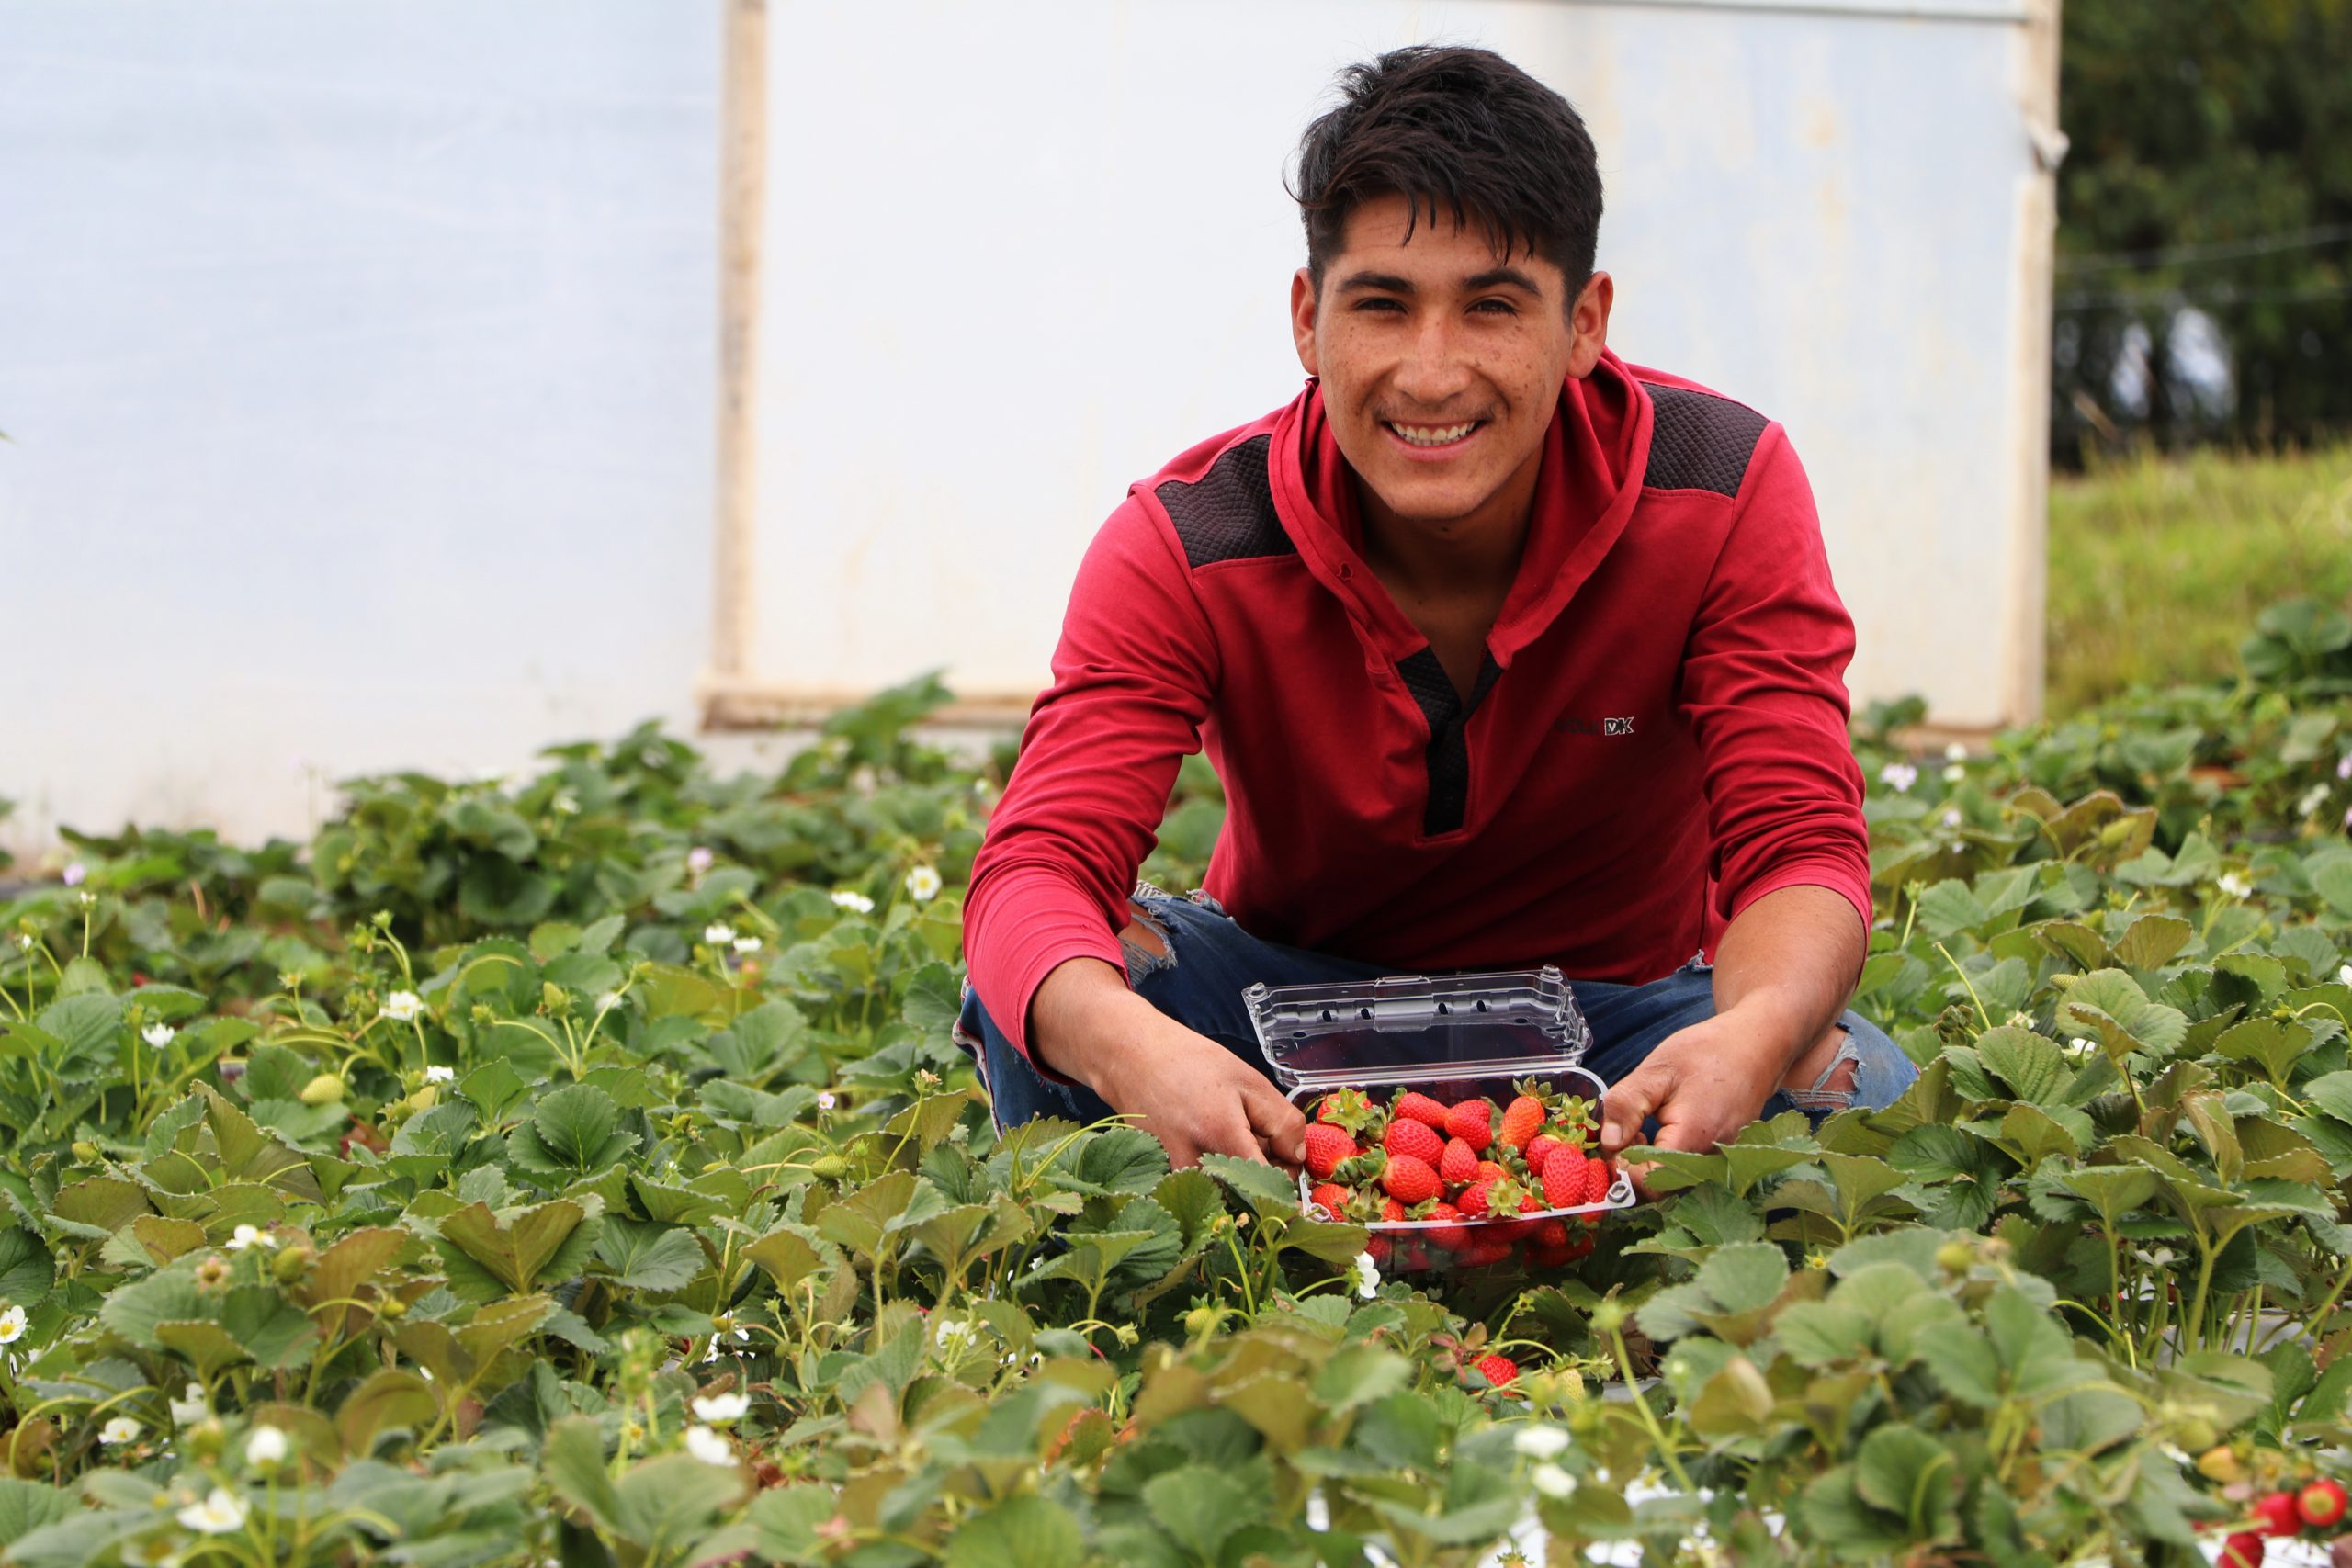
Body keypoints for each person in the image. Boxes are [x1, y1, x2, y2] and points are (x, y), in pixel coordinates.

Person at [954, 44, 1918, 1179]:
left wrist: (1749, 1036)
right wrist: (1138, 1056)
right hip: (1276, 1008)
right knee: (1060, 997)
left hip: (1614, 1021)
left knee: (1860, 1096)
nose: (1430, 372)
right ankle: (1234, 1249)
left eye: (1492, 306)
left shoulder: (1719, 483)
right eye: (1383, 305)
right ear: (1309, 320)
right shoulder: (1190, 537)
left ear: (1584, 324)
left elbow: (1796, 845)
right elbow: (1036, 870)